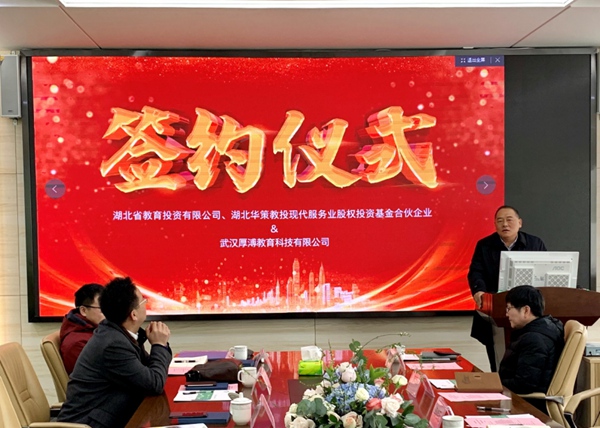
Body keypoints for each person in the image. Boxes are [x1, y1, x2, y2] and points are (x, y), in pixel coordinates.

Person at [57, 277, 172, 428]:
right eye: (143, 302)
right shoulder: (113, 344)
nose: (146, 305)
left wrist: (159, 346)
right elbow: (154, 383)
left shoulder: (116, 333)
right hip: (91, 423)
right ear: (133, 314)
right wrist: (159, 345)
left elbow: (149, 372)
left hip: (111, 414)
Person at [467, 205, 547, 371]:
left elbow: (546, 269)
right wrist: (479, 291)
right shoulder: (485, 245)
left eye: (509, 220)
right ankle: (498, 378)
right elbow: (476, 272)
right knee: (497, 356)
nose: (505, 224)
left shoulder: (535, 243)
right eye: (500, 221)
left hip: (527, 309)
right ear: (495, 224)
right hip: (496, 308)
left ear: (520, 223)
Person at [499, 285, 564, 411]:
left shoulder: (534, 339)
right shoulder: (541, 330)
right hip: (518, 398)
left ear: (525, 310)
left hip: (527, 405)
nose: (506, 314)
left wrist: (494, 383)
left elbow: (524, 384)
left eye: (509, 308)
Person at [59, 283, 105, 374]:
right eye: (103, 308)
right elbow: (92, 377)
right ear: (83, 310)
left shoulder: (98, 331)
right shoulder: (77, 344)